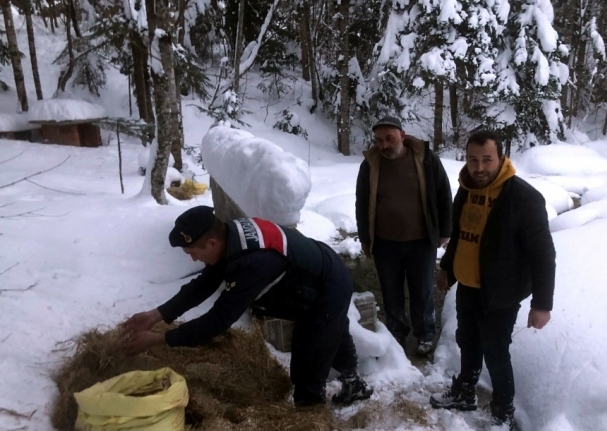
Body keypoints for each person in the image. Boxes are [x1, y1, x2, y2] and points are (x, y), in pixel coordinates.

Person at [121, 205, 373, 407]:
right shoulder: (229, 235)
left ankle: (311, 412)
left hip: (326, 287)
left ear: (210, 243)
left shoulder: (251, 264)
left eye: (191, 252)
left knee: (309, 363)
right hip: (319, 269)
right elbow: (204, 283)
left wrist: (157, 340)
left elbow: (216, 321)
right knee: (333, 330)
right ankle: (353, 383)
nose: (193, 258)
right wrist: (156, 315)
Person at [429, 130, 556, 429]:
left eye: (487, 159)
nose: (480, 167)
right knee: (468, 342)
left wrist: (542, 303)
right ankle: (465, 391)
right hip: (467, 287)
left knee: (496, 353)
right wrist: (447, 267)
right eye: (473, 160)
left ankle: (502, 412)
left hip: (501, 294)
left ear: (501, 158)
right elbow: (460, 235)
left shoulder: (523, 198)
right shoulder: (466, 187)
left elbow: (543, 255)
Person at [355, 116, 452, 356]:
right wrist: (365, 238)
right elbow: (362, 203)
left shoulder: (426, 159)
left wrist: (445, 231)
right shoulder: (370, 165)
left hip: (421, 241)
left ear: (403, 135)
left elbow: (443, 194)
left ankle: (425, 334)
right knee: (391, 293)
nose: (384, 145)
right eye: (379, 140)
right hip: (386, 243)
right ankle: (396, 334)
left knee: (422, 292)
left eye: (389, 138)